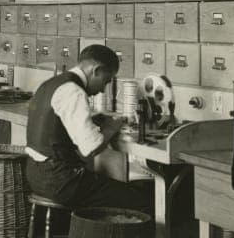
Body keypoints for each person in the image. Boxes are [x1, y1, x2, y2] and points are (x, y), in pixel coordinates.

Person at [24, 44, 151, 212]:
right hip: (60, 181)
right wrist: (112, 127)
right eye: (105, 82)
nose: (102, 90)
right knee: (142, 200)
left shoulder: (52, 83)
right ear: (96, 70)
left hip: (36, 174)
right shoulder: (73, 91)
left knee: (108, 184)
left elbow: (58, 123)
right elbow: (90, 148)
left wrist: (94, 120)